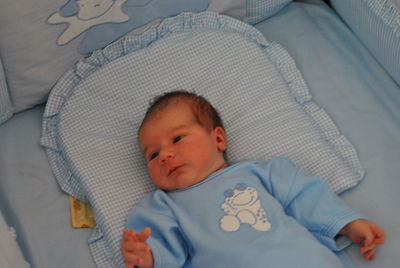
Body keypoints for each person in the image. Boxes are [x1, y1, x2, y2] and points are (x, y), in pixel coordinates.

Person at [122, 91, 385, 268]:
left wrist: (345, 223)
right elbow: (160, 245)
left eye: (177, 139)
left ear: (218, 139)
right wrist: (148, 256)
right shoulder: (163, 206)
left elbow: (305, 196)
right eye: (152, 155)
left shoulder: (260, 172)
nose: (165, 155)